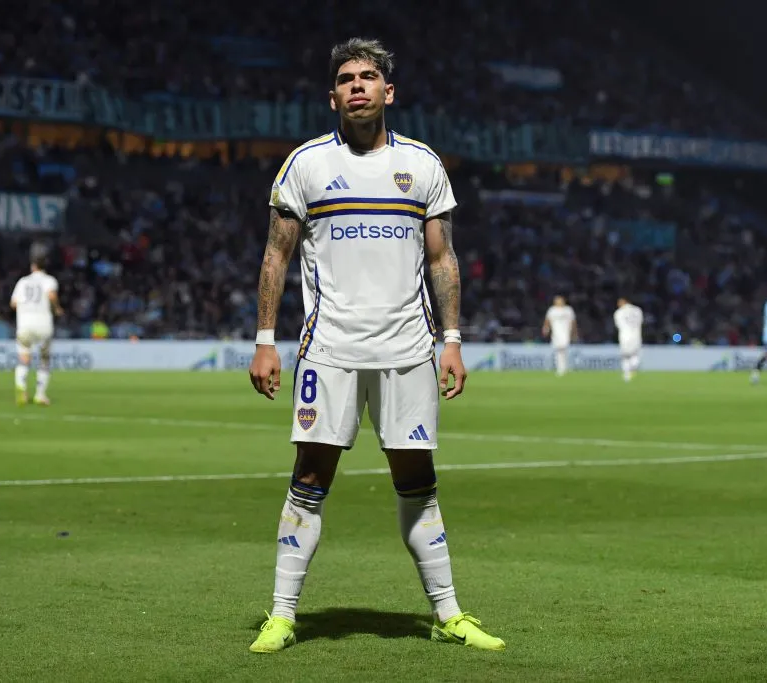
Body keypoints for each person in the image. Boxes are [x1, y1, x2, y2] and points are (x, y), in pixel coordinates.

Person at [247, 37, 504, 654]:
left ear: (389, 91)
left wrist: (452, 340)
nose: (357, 85)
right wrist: (263, 339)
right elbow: (276, 255)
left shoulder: (423, 165)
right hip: (328, 349)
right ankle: (282, 615)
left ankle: (449, 615)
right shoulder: (305, 164)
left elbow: (442, 259)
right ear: (332, 95)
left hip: (408, 351)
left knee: (419, 480)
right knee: (310, 474)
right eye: (345, 78)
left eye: (368, 77)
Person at [10, 250, 62, 405]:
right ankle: (40, 394)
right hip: (43, 323)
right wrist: (57, 308)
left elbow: (13, 303)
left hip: (25, 323)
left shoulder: (23, 282)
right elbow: (51, 295)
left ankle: (21, 387)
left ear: (33, 266)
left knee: (24, 358)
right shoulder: (49, 280)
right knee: (44, 358)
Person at [542, 295, 576, 376]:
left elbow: (573, 321)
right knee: (558, 351)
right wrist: (545, 329)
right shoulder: (552, 310)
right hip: (556, 333)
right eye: (557, 300)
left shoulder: (568, 310)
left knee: (564, 350)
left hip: (566, 332)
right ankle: (560, 368)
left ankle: (565, 367)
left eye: (560, 300)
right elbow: (547, 320)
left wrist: (574, 332)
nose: (559, 302)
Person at [613, 297, 643, 382]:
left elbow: (618, 325)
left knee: (625, 356)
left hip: (625, 336)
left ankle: (627, 374)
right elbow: (640, 322)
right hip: (636, 335)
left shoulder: (618, 312)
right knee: (635, 355)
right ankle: (634, 367)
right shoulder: (638, 310)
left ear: (624, 302)